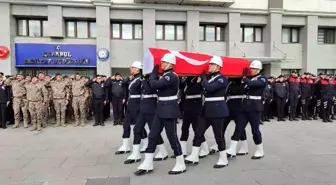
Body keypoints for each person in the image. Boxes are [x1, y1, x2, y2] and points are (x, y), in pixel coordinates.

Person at [135, 53, 186, 176]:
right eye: (162, 62)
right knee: (152, 136)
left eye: (164, 62)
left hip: (169, 109)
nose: (161, 64)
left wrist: (152, 74)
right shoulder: (164, 76)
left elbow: (154, 84)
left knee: (172, 137)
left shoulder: (172, 76)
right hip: (160, 109)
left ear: (171, 64)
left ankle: (180, 163)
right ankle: (148, 163)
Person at [185, 56, 229, 168]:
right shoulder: (208, 78)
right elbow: (198, 87)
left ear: (218, 67)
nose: (209, 66)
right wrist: (195, 80)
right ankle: (194, 156)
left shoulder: (222, 78)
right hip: (206, 110)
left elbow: (209, 88)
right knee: (198, 132)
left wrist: (203, 79)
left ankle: (223, 159)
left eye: (211, 64)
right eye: (209, 64)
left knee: (218, 135)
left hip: (217, 110)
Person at [227, 60, 266, 160]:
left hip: (255, 108)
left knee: (255, 131)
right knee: (238, 128)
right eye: (251, 68)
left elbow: (253, 85)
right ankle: (232, 149)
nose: (252, 70)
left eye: (254, 69)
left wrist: (244, 77)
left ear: (259, 69)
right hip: (244, 107)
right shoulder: (248, 79)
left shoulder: (262, 79)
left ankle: (260, 150)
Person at [115, 61, 147, 155]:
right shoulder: (133, 78)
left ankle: (145, 143)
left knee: (138, 125)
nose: (130, 68)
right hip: (130, 103)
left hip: (137, 103)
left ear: (137, 69)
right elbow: (124, 84)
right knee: (126, 124)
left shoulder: (141, 78)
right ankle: (125, 146)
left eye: (132, 67)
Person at [174, 76, 209, 158]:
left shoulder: (199, 78)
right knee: (184, 128)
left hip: (196, 107)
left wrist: (197, 82)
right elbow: (181, 87)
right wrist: (180, 78)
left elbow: (195, 90)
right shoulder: (188, 79)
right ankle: (183, 151)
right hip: (187, 107)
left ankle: (205, 149)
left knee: (196, 129)